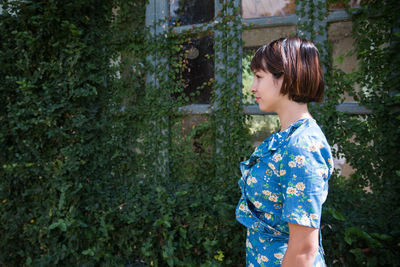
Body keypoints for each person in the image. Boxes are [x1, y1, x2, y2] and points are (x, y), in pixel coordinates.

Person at [235, 36, 334, 267]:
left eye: (259, 77)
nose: (252, 87)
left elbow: (303, 250)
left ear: (287, 77)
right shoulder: (287, 137)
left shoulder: (302, 146)